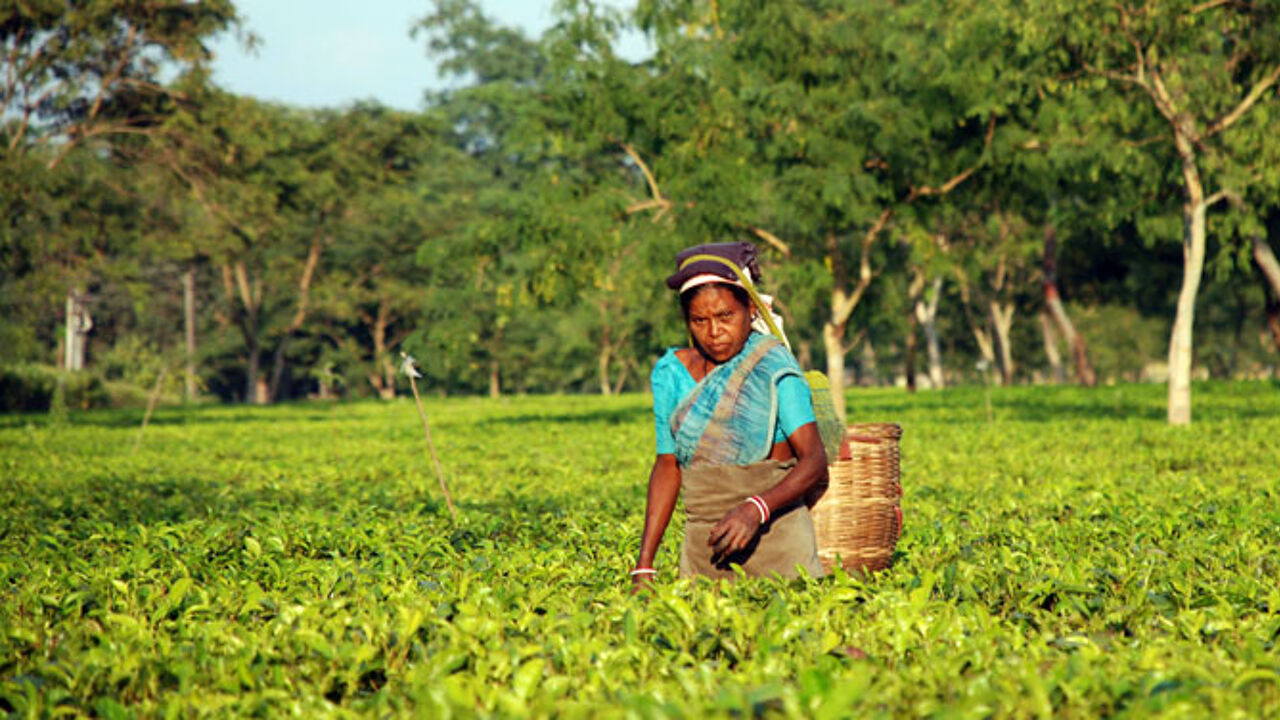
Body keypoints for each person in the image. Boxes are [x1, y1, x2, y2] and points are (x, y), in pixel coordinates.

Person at [631, 241, 828, 590]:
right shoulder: (671, 374)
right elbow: (667, 466)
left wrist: (756, 509)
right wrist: (644, 566)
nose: (714, 332)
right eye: (699, 320)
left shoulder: (773, 366)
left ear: (750, 309)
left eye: (725, 316)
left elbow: (813, 461)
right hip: (706, 550)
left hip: (779, 545)